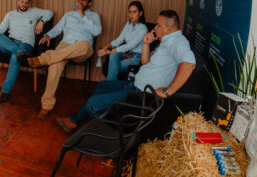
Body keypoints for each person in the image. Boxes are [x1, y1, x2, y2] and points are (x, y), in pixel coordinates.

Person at [55, 10, 195, 133]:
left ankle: (110, 130)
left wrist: (168, 92)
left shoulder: (177, 41)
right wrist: (146, 43)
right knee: (103, 86)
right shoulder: (165, 41)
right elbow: (145, 62)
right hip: (135, 85)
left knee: (92, 104)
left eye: (158, 25)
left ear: (168, 28)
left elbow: (189, 63)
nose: (155, 28)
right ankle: (77, 119)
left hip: (142, 95)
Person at [27, 0, 102, 119]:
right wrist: (48, 35)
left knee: (84, 45)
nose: (80, 2)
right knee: (54, 66)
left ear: (89, 3)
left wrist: (82, 15)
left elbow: (97, 31)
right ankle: (47, 105)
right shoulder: (68, 15)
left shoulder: (94, 16)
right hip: (65, 46)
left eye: (84, 0)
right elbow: (58, 29)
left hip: (82, 49)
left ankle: (43, 59)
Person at [0, 0, 54, 103]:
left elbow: (50, 13)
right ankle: (20, 53)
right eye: (22, 2)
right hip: (10, 43)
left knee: (15, 57)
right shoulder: (10, 14)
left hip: (26, 44)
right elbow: (1, 29)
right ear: (18, 1)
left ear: (29, 3)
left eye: (26, 3)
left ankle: (5, 91)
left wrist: (42, 21)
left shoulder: (34, 11)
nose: (24, 4)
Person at [100, 1, 148, 81]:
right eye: (130, 12)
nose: (131, 15)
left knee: (114, 67)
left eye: (134, 12)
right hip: (127, 53)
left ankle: (109, 85)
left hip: (137, 57)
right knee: (113, 55)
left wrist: (108, 51)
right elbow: (119, 39)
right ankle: (111, 85)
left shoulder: (143, 29)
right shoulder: (128, 24)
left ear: (140, 13)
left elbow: (130, 46)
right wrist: (107, 46)